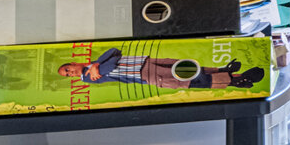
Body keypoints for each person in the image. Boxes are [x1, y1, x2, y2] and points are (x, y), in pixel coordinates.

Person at [58, 47, 265, 90]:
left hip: (148, 62)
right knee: (188, 79)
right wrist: (98, 66)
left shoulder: (93, 65)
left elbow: (115, 51)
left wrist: (95, 64)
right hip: (145, 74)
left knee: (185, 67)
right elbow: (112, 63)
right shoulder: (89, 77)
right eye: (68, 75)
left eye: (68, 69)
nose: (70, 73)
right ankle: (234, 80)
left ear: (74, 63)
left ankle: (225, 71)